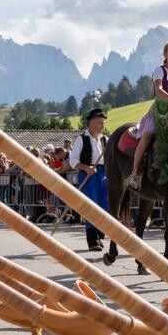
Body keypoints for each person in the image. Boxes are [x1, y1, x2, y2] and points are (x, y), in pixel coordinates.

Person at [125, 41, 168, 190]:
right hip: (160, 110)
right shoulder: (160, 70)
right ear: (165, 55)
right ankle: (135, 173)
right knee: (147, 135)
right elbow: (158, 90)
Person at [69, 108, 109, 252]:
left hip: (103, 173)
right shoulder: (82, 138)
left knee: (104, 205)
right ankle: (92, 240)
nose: (102, 126)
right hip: (88, 174)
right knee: (91, 205)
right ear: (91, 123)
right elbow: (73, 160)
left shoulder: (105, 140)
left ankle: (99, 235)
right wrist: (86, 168)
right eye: (100, 122)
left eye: (103, 123)